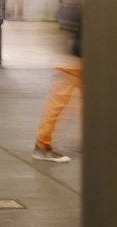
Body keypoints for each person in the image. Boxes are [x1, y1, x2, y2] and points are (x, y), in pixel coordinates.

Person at [33, 20, 82, 163]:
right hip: (76, 58)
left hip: (77, 55)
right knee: (57, 103)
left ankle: (42, 144)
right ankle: (42, 145)